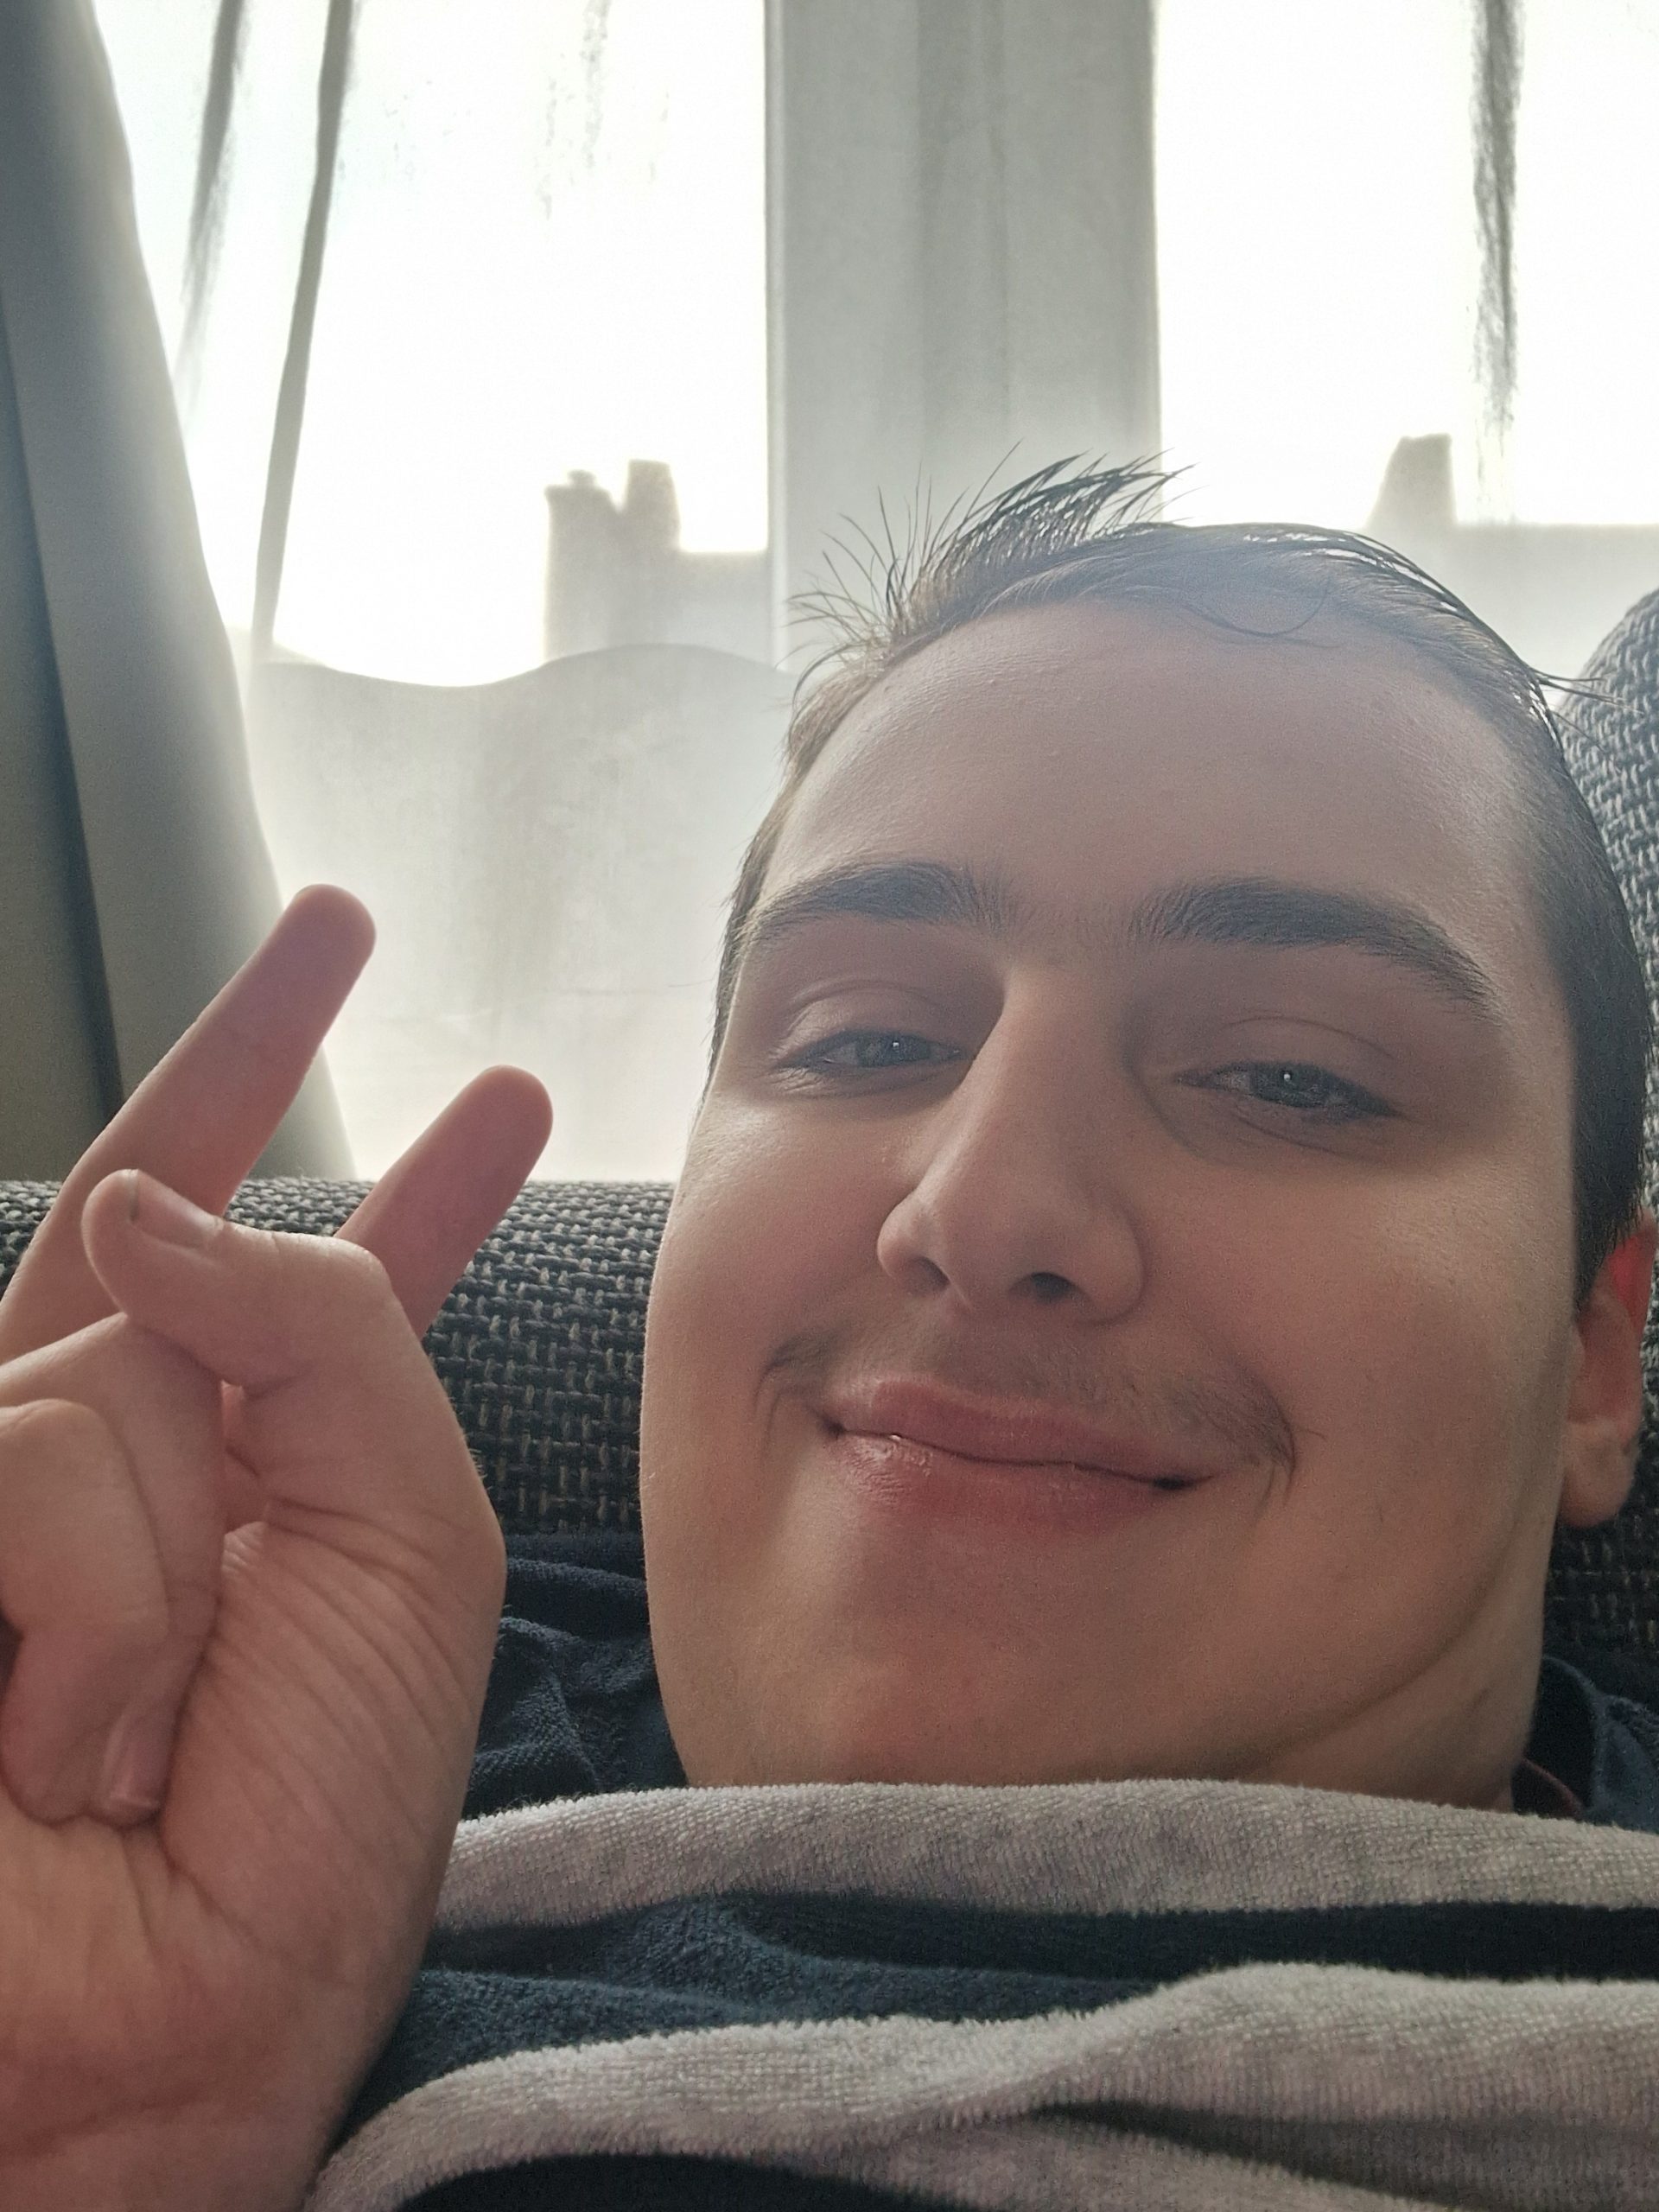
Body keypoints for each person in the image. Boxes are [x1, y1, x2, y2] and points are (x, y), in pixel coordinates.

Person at [2, 460, 1657, 2207]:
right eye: (869, 1039)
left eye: (1292, 1077)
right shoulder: (163, 1745)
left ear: (1594, 1356)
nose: (984, 1207)